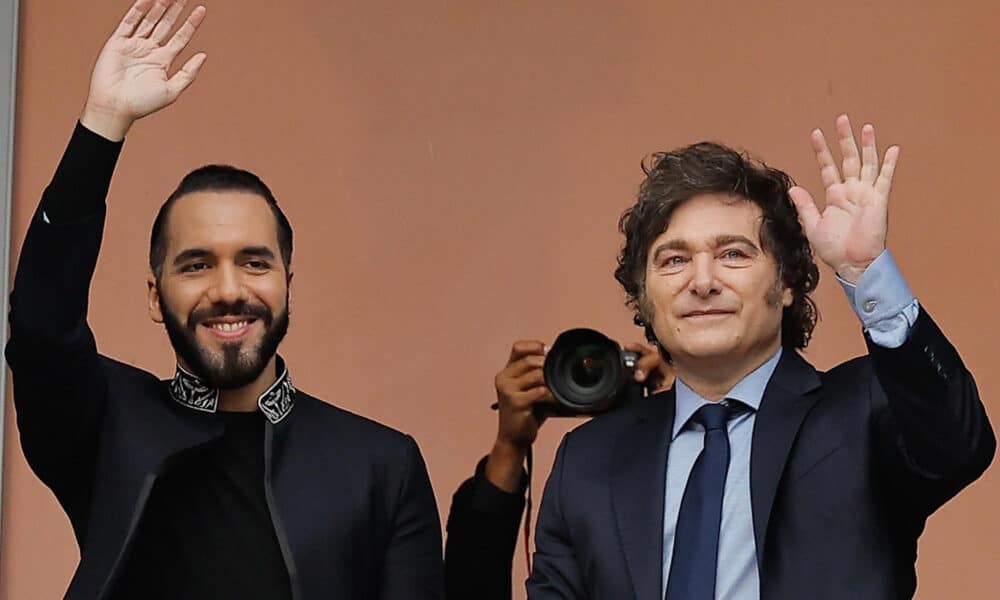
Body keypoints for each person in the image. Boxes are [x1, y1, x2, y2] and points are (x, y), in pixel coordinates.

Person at [4, 2, 443, 598]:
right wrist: (103, 124)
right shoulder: (105, 424)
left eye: (254, 262)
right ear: (156, 296)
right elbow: (39, 324)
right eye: (197, 265)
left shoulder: (380, 465)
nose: (229, 290)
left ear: (288, 283)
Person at [525, 118, 995, 599]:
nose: (702, 281)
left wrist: (866, 271)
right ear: (644, 297)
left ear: (787, 283)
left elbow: (959, 446)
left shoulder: (860, 411)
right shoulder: (587, 462)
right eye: (673, 260)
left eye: (733, 254)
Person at [445, 340, 672, 599]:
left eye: (602, 372)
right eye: (576, 373)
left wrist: (671, 413)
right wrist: (509, 445)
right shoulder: (574, 468)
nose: (588, 379)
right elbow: (467, 588)